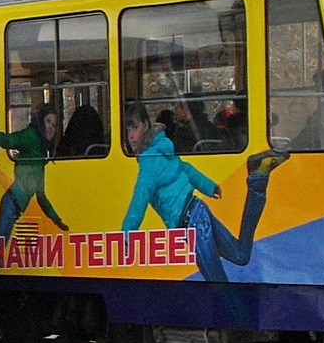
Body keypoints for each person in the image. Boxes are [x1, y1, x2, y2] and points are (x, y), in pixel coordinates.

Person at [122, 108, 291, 281]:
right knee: (240, 255)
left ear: (146, 124)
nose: (131, 136)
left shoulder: (149, 160)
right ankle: (258, 178)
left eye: (134, 128)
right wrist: (208, 187)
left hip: (190, 222)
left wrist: (126, 233)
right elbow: (184, 168)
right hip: (198, 209)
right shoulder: (161, 147)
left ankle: (231, 310)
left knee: (218, 283)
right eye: (127, 130)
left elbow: (140, 197)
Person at [0, 103, 69, 239]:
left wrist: (56, 219)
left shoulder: (40, 150)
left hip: (14, 207)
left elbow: (41, 196)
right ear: (40, 121)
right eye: (48, 121)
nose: (51, 128)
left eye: (54, 124)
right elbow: (11, 140)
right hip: (10, 204)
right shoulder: (31, 136)